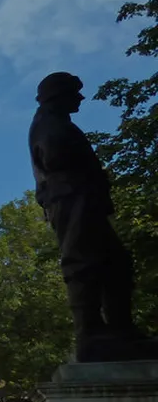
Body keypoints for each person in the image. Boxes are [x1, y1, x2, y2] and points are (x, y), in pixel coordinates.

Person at [28, 72, 155, 361]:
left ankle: (118, 329)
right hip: (72, 197)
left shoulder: (52, 122)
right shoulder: (50, 124)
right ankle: (91, 333)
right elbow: (55, 156)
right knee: (83, 263)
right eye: (75, 92)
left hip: (78, 198)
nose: (81, 98)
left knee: (115, 263)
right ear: (57, 95)